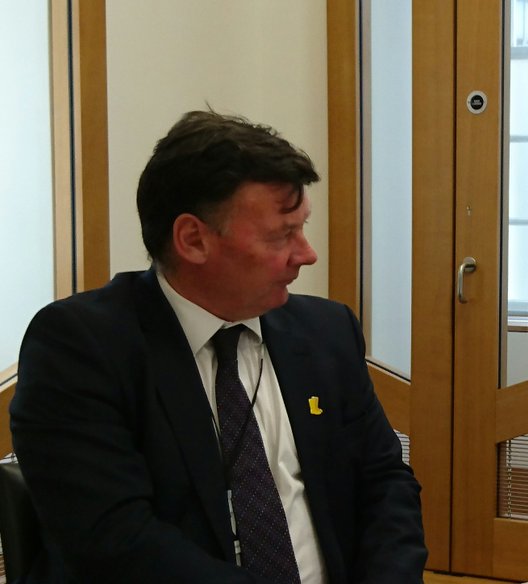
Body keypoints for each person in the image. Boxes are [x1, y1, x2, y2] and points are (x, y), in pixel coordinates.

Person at [12, 110, 427, 583]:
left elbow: (384, 483)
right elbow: (114, 541)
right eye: (282, 235)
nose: (307, 254)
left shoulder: (327, 331)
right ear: (193, 239)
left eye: (302, 227)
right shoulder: (82, 346)